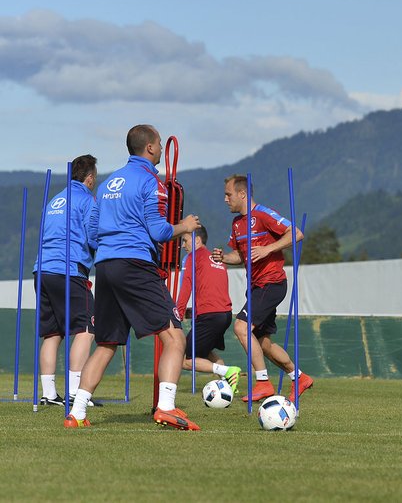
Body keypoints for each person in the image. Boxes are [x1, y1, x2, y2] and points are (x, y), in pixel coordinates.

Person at [66, 124, 201, 430]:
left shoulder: (108, 182)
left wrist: (110, 250)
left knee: (107, 343)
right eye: (160, 145)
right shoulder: (152, 182)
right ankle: (166, 407)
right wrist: (185, 226)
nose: (163, 151)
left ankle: (77, 413)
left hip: (107, 266)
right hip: (136, 264)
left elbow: (93, 230)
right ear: (151, 148)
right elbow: (159, 230)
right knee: (175, 337)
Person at [211, 174, 313, 403]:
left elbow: (296, 233)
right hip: (256, 287)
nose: (225, 199)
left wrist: (269, 249)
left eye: (228, 194)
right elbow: (240, 255)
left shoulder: (264, 214)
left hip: (272, 282)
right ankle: (299, 377)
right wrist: (224, 258)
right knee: (263, 342)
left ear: (242, 194)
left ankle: (264, 383)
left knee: (241, 327)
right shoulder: (237, 223)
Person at [34, 154, 101, 407]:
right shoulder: (87, 200)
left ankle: (49, 394)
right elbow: (93, 236)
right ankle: (75, 391)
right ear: (90, 178)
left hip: (41, 269)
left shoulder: (54, 200)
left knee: (52, 333)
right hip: (69, 269)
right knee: (86, 329)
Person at [175, 226, 241, 393]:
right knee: (207, 352)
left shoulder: (193, 257)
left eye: (185, 241)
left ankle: (228, 371)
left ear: (197, 240)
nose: (183, 245)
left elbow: (186, 287)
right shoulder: (217, 258)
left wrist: (178, 313)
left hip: (209, 315)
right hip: (225, 314)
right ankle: (229, 388)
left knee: (185, 359)